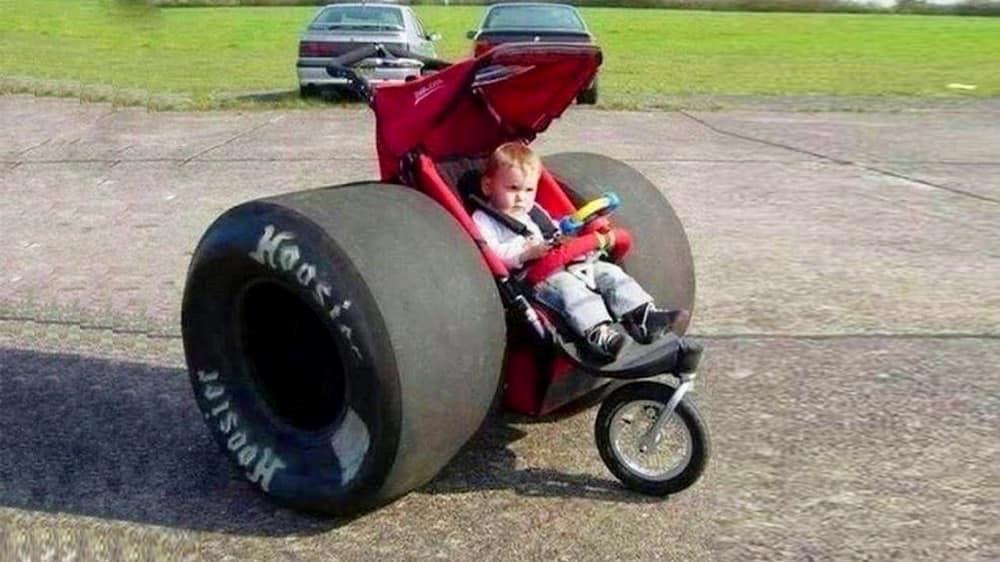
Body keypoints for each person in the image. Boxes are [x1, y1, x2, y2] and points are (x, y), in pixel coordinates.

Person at [471, 142, 690, 360]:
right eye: (513, 188)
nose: (521, 197)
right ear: (488, 186)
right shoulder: (484, 219)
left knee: (608, 272)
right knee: (570, 288)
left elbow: (552, 229)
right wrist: (524, 254)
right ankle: (599, 335)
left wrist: (566, 237)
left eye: (529, 190)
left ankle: (643, 316)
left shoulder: (534, 211)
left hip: (563, 261)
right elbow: (492, 254)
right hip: (535, 277)